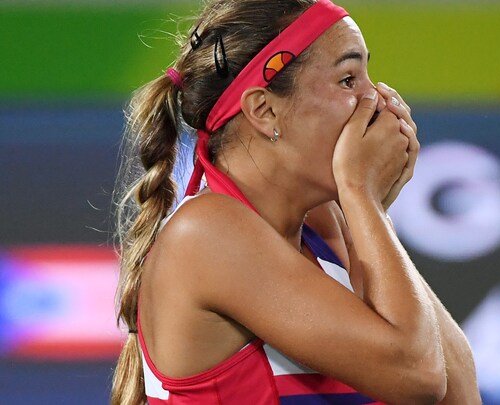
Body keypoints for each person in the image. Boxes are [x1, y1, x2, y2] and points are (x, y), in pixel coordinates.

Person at [112, 0, 481, 404]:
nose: (377, 99)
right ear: (264, 110)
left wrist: (370, 213)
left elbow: (458, 394)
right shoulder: (206, 233)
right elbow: (419, 377)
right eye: (348, 80)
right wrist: (363, 197)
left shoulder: (327, 223)